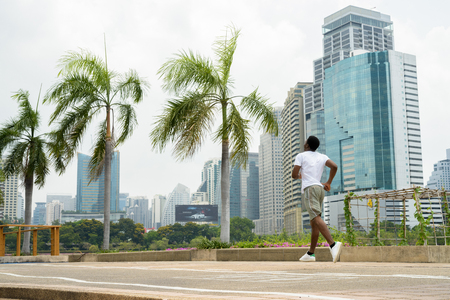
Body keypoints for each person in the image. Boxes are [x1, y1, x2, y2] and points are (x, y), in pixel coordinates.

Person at [291, 135, 341, 263]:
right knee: (314, 223)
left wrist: (300, 176)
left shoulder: (301, 156)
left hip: (310, 189)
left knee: (316, 219)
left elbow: (293, 175)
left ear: (307, 145)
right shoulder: (322, 156)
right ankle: (311, 253)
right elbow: (334, 166)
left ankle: (333, 244)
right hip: (320, 189)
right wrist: (328, 182)